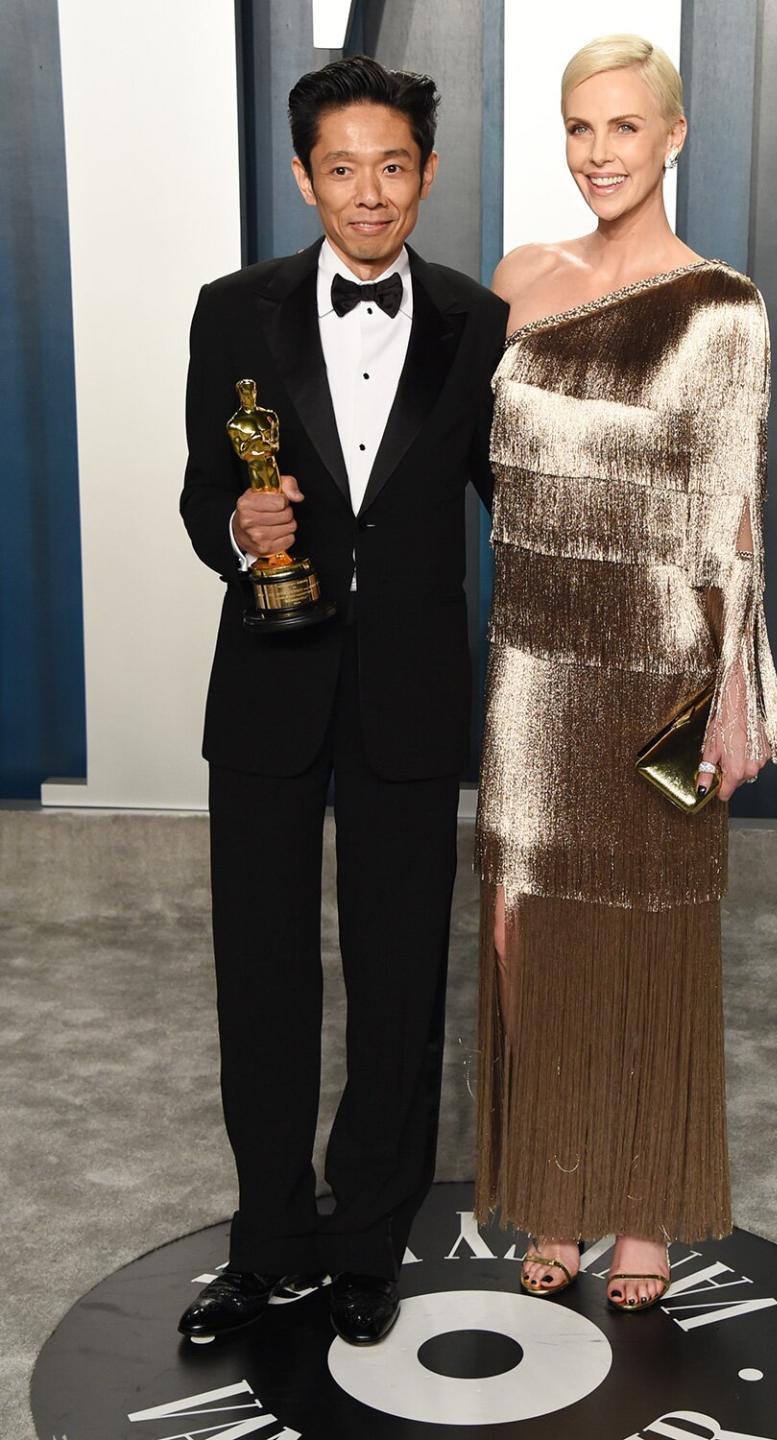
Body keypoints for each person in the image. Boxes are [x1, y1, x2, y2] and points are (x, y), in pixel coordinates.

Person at [178, 55, 507, 1346]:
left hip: (413, 693)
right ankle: (269, 1242)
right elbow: (206, 490)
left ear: (424, 175)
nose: (368, 193)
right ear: (304, 176)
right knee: (258, 974)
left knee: (398, 975)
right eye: (341, 167)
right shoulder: (232, 310)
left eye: (393, 167)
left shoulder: (479, 322)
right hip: (265, 682)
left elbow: (516, 508)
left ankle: (368, 1236)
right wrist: (236, 527)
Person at [474, 34, 777, 1311]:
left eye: (623, 128)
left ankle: (648, 1203)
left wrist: (731, 694)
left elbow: (737, 517)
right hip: (533, 668)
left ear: (673, 137)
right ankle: (554, 1188)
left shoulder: (724, 305)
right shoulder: (520, 278)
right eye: (578, 128)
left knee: (656, 934)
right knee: (527, 930)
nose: (598, 154)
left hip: (659, 670)